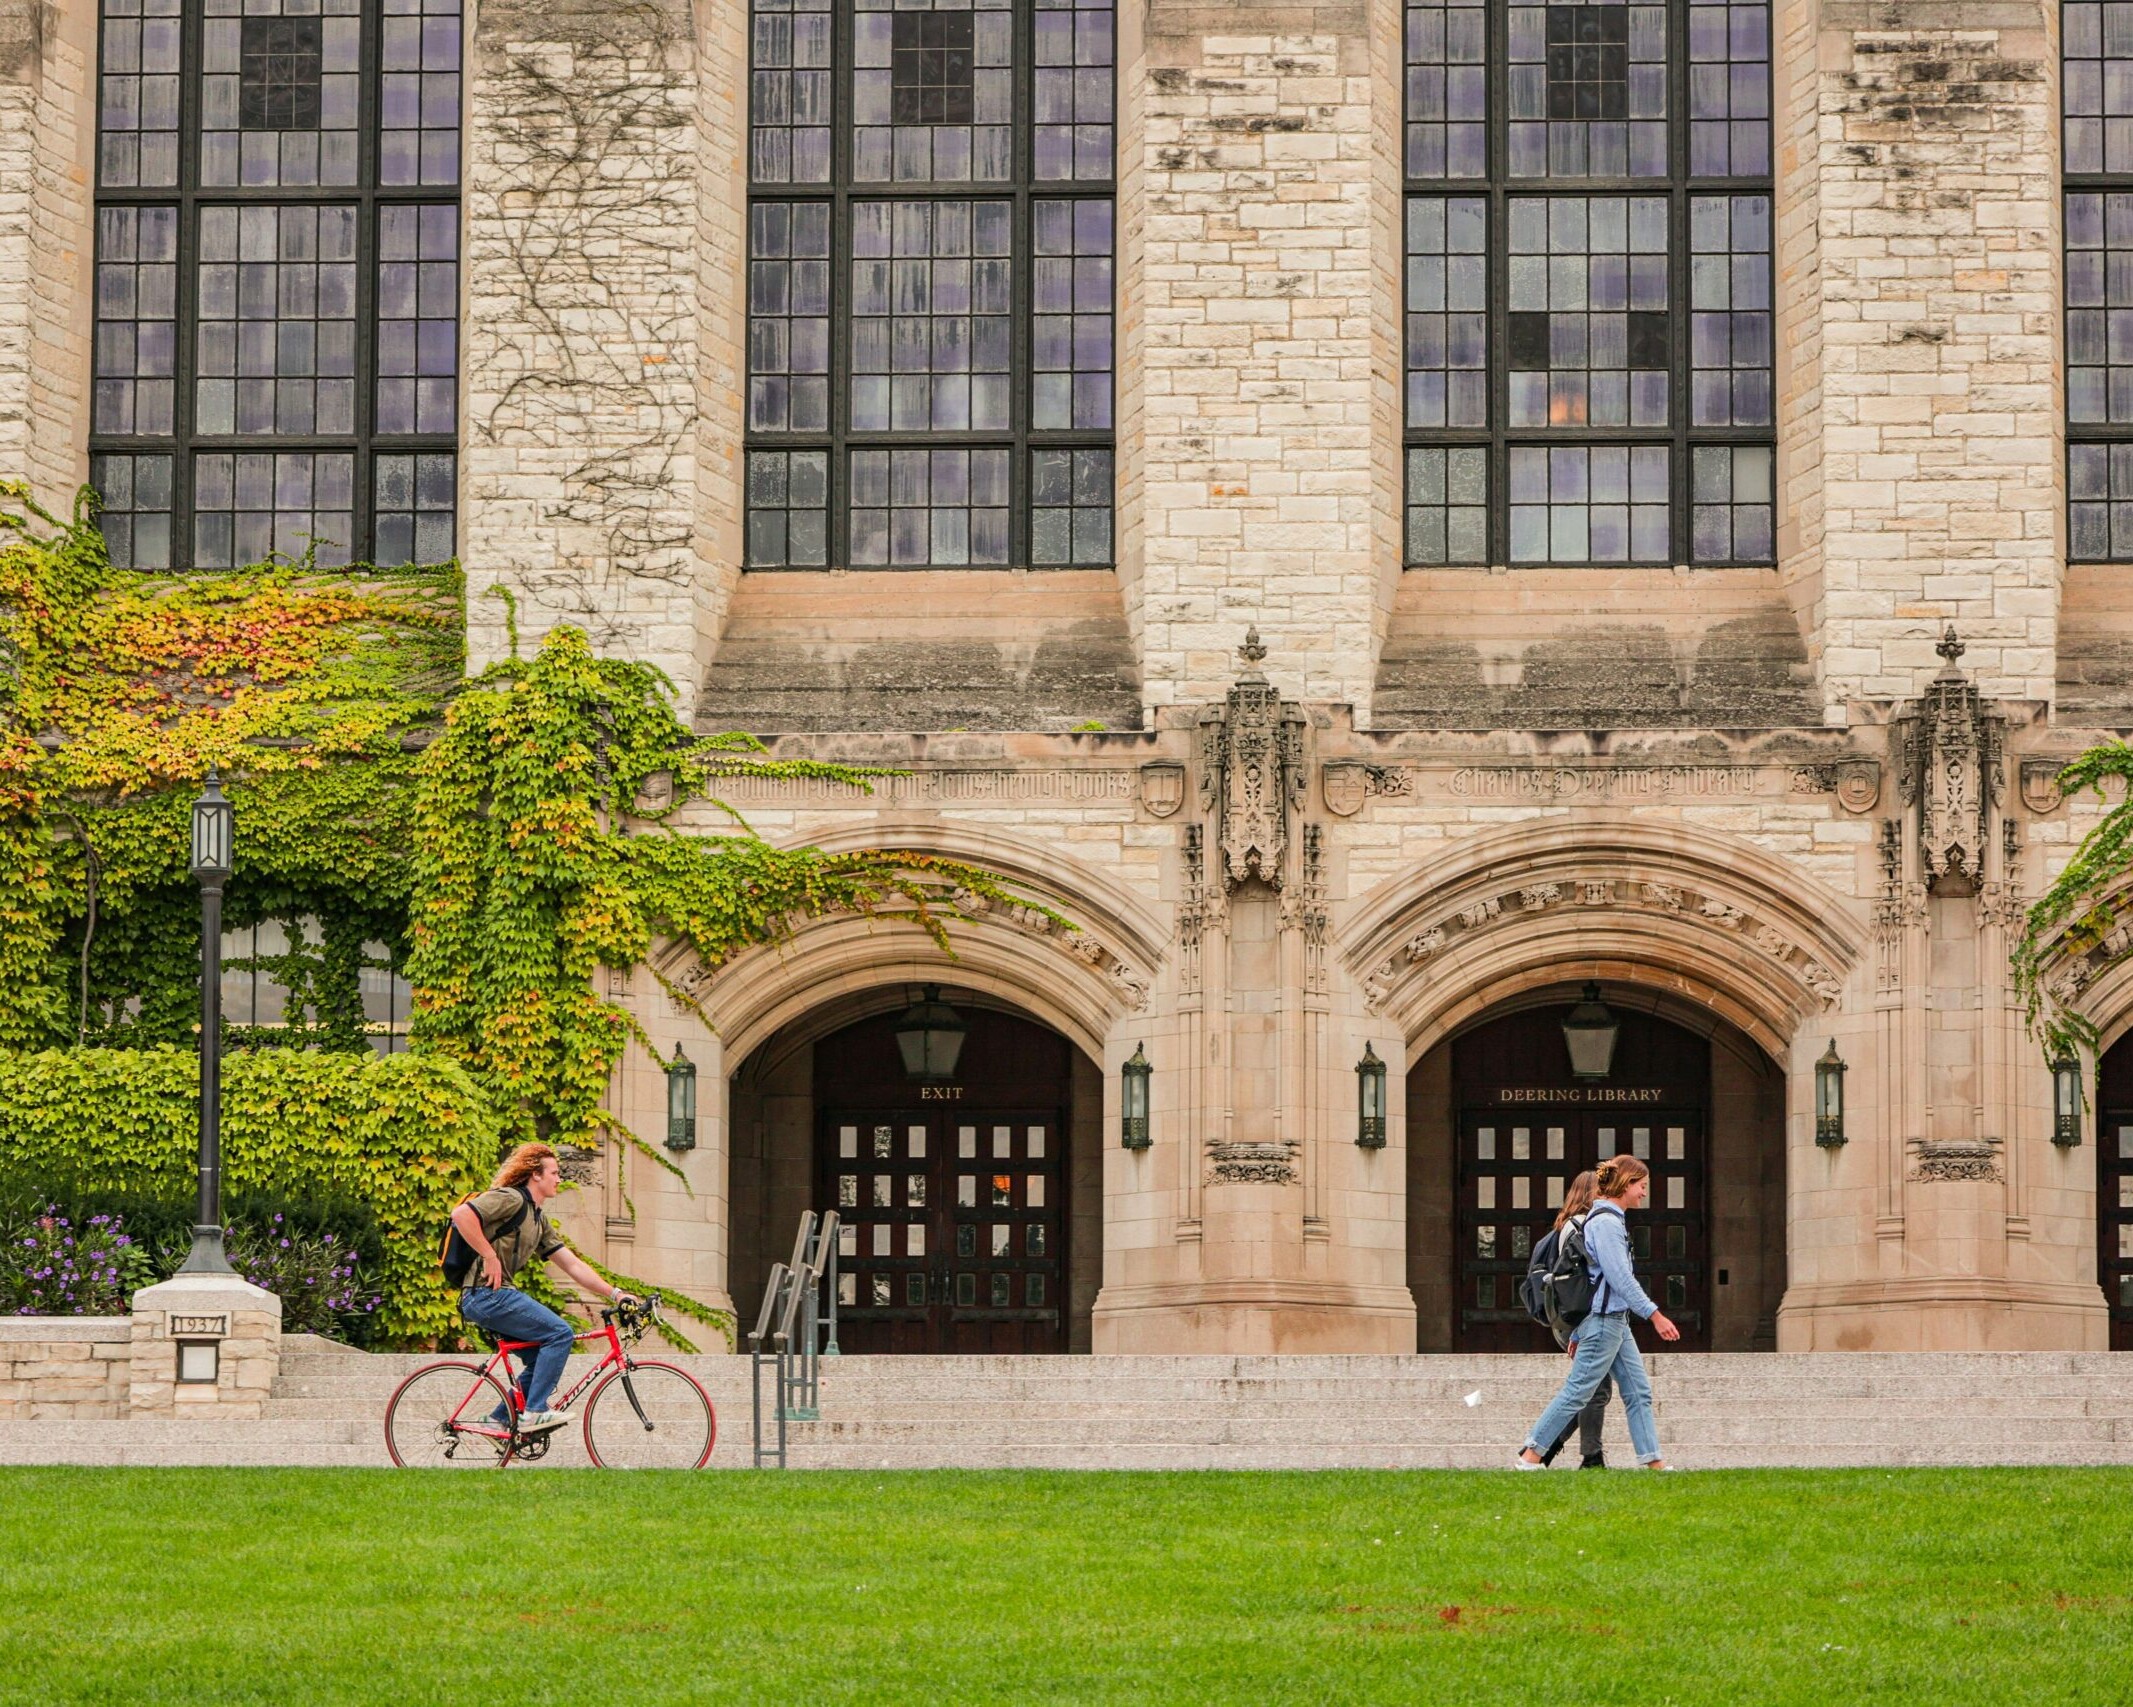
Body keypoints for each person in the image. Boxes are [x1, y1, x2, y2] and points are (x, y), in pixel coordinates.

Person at [1514, 1153, 1680, 1471]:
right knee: (1578, 1391)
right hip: (1604, 1323)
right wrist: (1655, 1314)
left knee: (1638, 1391)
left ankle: (1654, 1462)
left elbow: (1597, 1281)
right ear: (1625, 1184)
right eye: (1641, 1185)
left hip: (1614, 1322)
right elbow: (1619, 1278)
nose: (1644, 1192)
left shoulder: (1609, 1219)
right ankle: (1530, 1456)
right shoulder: (1605, 1223)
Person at [453, 1142, 633, 1434]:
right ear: (535, 1175)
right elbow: (461, 1215)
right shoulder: (512, 1199)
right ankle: (534, 1412)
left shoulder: (538, 1219)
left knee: (542, 1358)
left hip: (496, 1297)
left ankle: (501, 1418)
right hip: (485, 1295)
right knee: (560, 1333)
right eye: (554, 1172)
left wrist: (615, 1293)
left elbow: (573, 1265)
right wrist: (489, 1256)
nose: (559, 1179)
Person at [1531, 1169, 1612, 1468]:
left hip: (1571, 1319)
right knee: (1592, 1389)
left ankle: (1547, 1449)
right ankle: (1588, 1456)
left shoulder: (1566, 1227)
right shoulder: (1582, 1228)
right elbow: (1582, 1282)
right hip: (1581, 1319)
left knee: (1592, 1388)